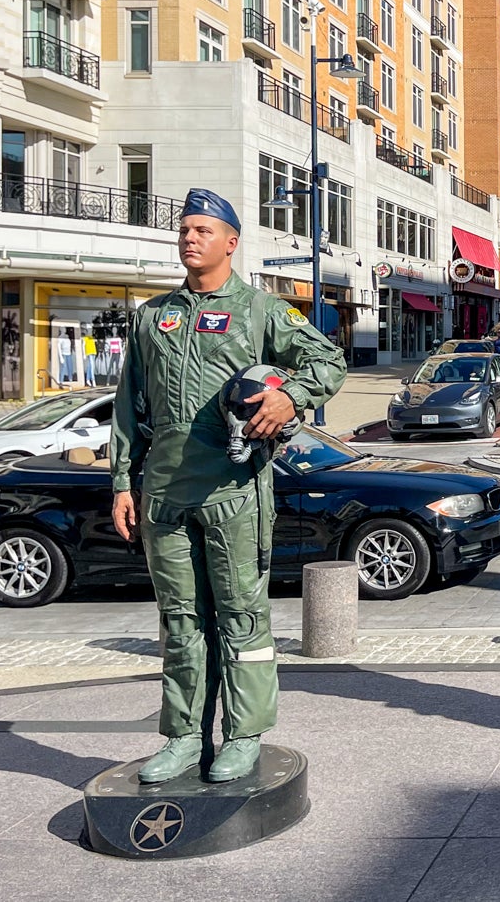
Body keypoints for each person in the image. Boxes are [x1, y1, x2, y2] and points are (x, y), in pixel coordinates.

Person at [110, 189, 346, 785]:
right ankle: (185, 736)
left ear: (231, 242)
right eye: (185, 229)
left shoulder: (260, 310)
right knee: (180, 620)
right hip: (164, 494)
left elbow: (328, 362)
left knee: (242, 617)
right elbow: (127, 408)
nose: (190, 238)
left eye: (204, 230)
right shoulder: (152, 317)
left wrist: (288, 395)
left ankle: (244, 734)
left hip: (235, 492)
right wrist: (121, 483)